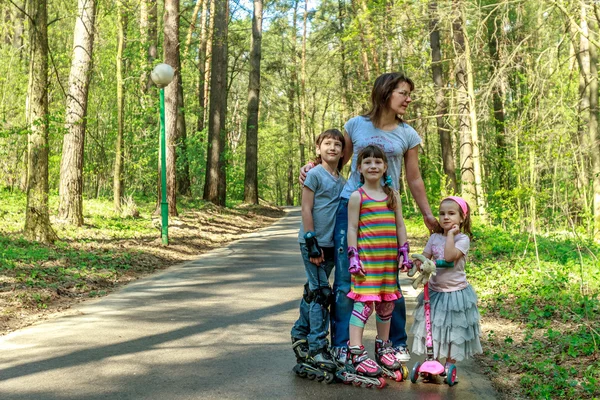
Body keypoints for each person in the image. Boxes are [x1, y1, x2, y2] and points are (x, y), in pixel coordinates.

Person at [299, 72, 440, 366]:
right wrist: (311, 166)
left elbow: (414, 178)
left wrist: (427, 213)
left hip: (386, 211)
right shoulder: (356, 125)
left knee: (389, 279)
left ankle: (392, 343)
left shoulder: (408, 134)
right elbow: (340, 159)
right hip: (349, 206)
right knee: (346, 279)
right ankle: (342, 344)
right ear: (386, 93)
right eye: (403, 93)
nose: (408, 99)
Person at [342, 145, 407, 378]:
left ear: (385, 166)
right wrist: (353, 256)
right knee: (363, 304)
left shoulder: (393, 195)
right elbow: (351, 228)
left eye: (377, 162)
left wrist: (404, 251)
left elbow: (400, 225)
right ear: (359, 167)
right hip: (366, 263)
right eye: (367, 162)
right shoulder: (357, 196)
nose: (373, 165)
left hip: (387, 262)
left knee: (386, 305)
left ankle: (383, 346)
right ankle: (356, 351)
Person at [291, 129, 346, 376]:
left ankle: (299, 334)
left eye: (337, 144)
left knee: (314, 290)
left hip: (331, 245)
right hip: (313, 243)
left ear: (343, 151)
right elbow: (306, 208)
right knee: (322, 293)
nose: (332, 148)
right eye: (327, 143)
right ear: (318, 148)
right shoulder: (313, 174)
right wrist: (312, 240)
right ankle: (316, 347)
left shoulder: (342, 181)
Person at [410, 196, 482, 376]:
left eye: (451, 213)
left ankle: (450, 363)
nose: (446, 217)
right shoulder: (434, 237)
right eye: (442, 214)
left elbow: (449, 257)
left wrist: (450, 234)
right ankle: (432, 362)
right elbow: (425, 256)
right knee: (433, 328)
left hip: (456, 294)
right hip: (435, 292)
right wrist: (419, 264)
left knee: (454, 330)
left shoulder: (462, 239)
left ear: (461, 218)